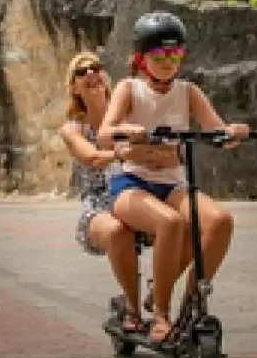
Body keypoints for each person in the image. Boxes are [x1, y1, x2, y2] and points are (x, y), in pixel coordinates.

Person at [98, 12, 249, 345]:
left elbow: (215, 127)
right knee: (171, 224)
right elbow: (105, 133)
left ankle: (188, 307)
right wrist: (128, 130)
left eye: (175, 55)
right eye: (160, 56)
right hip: (131, 184)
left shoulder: (188, 91)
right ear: (141, 58)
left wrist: (231, 132)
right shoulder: (129, 88)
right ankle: (160, 316)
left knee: (219, 221)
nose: (169, 62)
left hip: (173, 183)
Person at [59, 51, 183, 332]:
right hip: (100, 204)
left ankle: (159, 291)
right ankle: (132, 306)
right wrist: (125, 153)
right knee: (117, 231)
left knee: (185, 223)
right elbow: (91, 157)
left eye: (97, 67)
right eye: (82, 71)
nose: (91, 72)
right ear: (74, 88)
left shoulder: (129, 117)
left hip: (137, 191)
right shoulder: (73, 128)